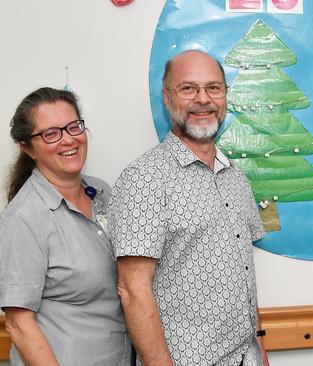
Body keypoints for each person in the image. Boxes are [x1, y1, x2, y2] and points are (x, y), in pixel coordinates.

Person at [109, 49, 268, 366]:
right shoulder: (144, 179)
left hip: (245, 357)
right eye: (188, 88)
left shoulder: (236, 177)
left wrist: (260, 351)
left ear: (225, 96)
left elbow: (243, 276)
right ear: (167, 98)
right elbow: (132, 290)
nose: (203, 99)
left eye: (213, 88)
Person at [0, 87, 131, 365]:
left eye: (73, 126)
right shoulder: (22, 219)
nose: (68, 139)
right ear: (27, 147)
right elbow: (19, 326)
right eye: (51, 133)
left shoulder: (102, 191)